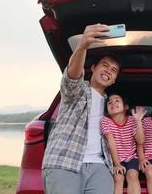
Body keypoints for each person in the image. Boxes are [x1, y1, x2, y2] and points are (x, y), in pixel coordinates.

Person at [42, 24, 122, 194]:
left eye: (114, 70)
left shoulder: (112, 105)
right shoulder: (78, 91)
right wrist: (82, 45)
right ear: (92, 68)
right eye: (105, 65)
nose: (109, 70)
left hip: (100, 166)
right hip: (65, 161)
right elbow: (72, 77)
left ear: (114, 80)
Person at [101, 93, 146, 194]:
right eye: (110, 103)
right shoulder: (106, 121)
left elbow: (141, 141)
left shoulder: (132, 120)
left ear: (125, 107)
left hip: (131, 157)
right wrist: (117, 164)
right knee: (118, 178)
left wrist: (138, 121)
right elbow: (111, 143)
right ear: (107, 110)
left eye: (117, 100)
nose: (113, 103)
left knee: (132, 175)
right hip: (115, 158)